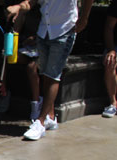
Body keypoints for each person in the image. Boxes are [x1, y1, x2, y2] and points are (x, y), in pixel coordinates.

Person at [6, 0, 93, 141]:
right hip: (44, 31)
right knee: (45, 74)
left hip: (64, 31)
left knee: (53, 76)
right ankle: (50, 117)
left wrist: (84, 19)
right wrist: (18, 6)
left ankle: (40, 122)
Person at [0, 0, 42, 121]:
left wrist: (35, 38)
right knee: (5, 58)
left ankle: (36, 103)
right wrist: (21, 14)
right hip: (25, 47)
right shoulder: (22, 9)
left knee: (31, 67)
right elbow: (16, 32)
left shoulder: (43, 10)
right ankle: (3, 95)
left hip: (41, 47)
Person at [102, 0, 117, 118]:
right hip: (115, 45)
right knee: (110, 61)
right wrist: (111, 49)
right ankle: (113, 102)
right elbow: (109, 27)